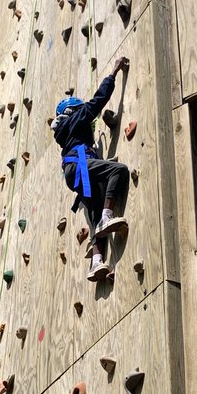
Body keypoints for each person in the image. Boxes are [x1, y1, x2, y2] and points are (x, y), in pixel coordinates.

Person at [52, 56, 131, 281]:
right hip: (81, 167)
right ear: (74, 110)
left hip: (78, 174)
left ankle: (97, 262)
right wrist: (113, 73)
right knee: (119, 170)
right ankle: (108, 216)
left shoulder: (65, 133)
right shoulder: (77, 118)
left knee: (94, 211)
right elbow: (99, 100)